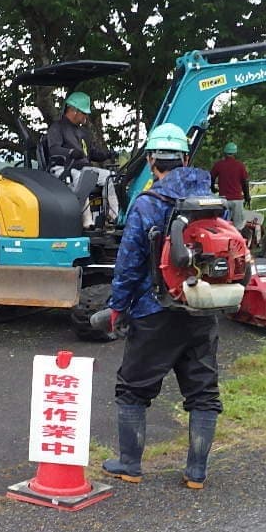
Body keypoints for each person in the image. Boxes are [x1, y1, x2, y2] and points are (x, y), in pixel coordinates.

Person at [99, 123, 222, 489]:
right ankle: (196, 473)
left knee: (133, 389)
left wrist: (117, 307)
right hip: (202, 307)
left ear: (152, 160)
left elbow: (129, 262)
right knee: (203, 393)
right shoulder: (212, 201)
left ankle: (129, 465)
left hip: (154, 310)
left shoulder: (148, 203)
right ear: (185, 158)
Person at [44, 90, 118, 227]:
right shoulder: (57, 128)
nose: (86, 116)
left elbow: (91, 153)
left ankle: (112, 218)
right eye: (84, 113)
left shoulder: (83, 132)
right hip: (64, 168)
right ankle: (87, 222)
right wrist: (71, 152)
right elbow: (54, 149)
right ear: (73, 111)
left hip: (83, 169)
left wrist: (108, 154)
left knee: (109, 177)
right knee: (83, 178)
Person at [210, 141, 251, 229]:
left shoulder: (219, 165)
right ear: (235, 153)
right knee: (238, 225)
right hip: (237, 199)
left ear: (225, 153)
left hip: (223, 200)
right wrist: (247, 196)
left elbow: (211, 178)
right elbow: (245, 182)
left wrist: (212, 188)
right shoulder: (240, 165)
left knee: (222, 225)